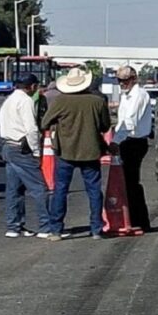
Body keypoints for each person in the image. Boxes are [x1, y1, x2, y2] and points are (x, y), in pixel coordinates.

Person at [41, 68, 111, 240]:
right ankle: (96, 229)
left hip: (65, 151)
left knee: (60, 191)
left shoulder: (60, 101)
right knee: (94, 191)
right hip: (91, 151)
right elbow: (105, 126)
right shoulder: (97, 101)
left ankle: (56, 229)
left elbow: (45, 123)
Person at [0, 73, 50, 238]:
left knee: (14, 189)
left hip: (7, 145)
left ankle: (14, 226)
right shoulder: (26, 101)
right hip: (22, 147)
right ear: (32, 86)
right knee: (39, 188)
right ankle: (46, 226)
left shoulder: (8, 100)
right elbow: (31, 129)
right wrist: (35, 151)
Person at [110, 66, 153, 231]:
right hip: (128, 140)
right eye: (119, 80)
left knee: (131, 183)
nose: (122, 83)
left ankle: (139, 221)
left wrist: (115, 141)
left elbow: (129, 121)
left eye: (125, 80)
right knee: (128, 182)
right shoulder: (127, 95)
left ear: (133, 78)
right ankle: (134, 219)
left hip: (134, 141)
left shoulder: (138, 95)